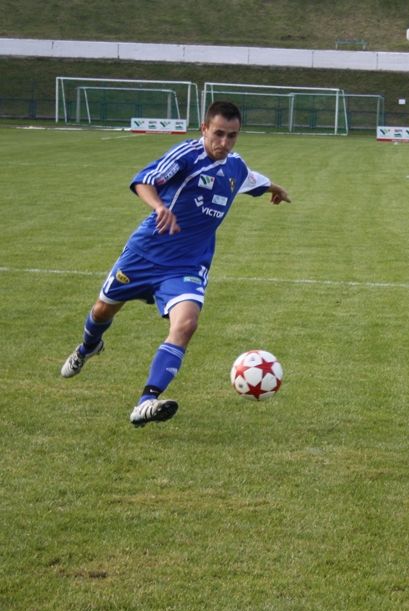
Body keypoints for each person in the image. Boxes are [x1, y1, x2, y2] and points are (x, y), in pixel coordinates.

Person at [60, 101, 291, 427]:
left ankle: (147, 401)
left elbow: (252, 179)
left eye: (232, 136)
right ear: (204, 129)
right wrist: (159, 207)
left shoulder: (235, 167)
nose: (224, 142)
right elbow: (144, 180)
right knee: (102, 310)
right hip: (144, 254)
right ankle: (88, 347)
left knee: (186, 324)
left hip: (187, 266)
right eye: (218, 134)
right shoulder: (186, 156)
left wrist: (276, 188)